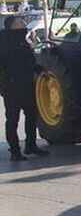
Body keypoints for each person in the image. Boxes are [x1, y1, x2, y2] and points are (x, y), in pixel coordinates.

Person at [0, 16, 48, 161]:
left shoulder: (23, 41)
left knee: (32, 115)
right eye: (19, 22)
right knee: (13, 119)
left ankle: (31, 145)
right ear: (12, 26)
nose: (23, 24)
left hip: (27, 85)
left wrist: (40, 70)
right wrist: (4, 84)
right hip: (11, 87)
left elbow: (30, 61)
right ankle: (15, 150)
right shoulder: (4, 42)